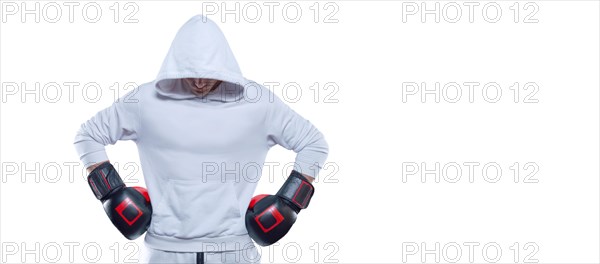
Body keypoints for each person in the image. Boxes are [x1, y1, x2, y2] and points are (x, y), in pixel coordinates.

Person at [74, 14, 329, 264]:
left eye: (207, 73)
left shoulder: (258, 103)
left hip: (234, 249)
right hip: (164, 250)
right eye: (190, 72)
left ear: (223, 65)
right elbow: (88, 135)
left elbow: (314, 144)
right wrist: (112, 192)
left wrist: (289, 203)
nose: (198, 82)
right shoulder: (144, 102)